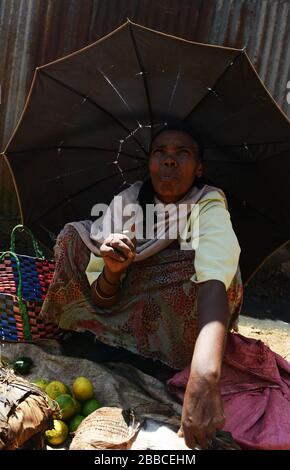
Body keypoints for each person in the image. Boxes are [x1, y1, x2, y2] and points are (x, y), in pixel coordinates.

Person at [41, 124, 243, 449]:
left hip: (180, 331)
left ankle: (171, 360)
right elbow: (101, 299)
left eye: (182, 153)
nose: (169, 161)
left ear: (199, 168)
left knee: (200, 264)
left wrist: (205, 375)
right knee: (73, 239)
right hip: (118, 317)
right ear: (149, 163)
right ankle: (112, 345)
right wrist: (113, 270)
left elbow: (215, 277)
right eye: (160, 152)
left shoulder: (207, 204)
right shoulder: (128, 202)